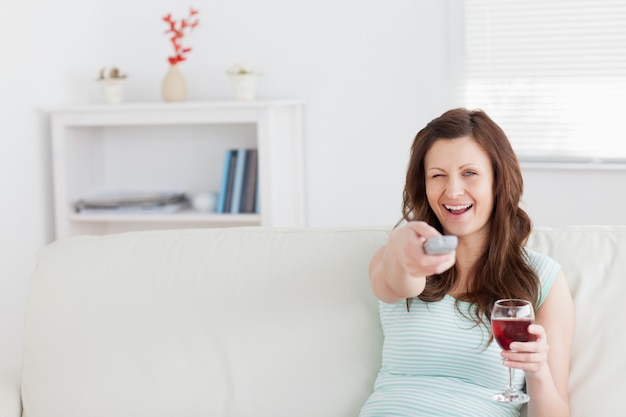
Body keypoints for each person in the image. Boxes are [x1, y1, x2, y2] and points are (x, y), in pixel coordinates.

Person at [359, 108, 574, 417]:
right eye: (437, 175)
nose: (453, 190)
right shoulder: (399, 254)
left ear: (498, 180)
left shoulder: (543, 277)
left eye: (469, 173)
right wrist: (405, 253)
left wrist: (537, 372)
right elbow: (400, 280)